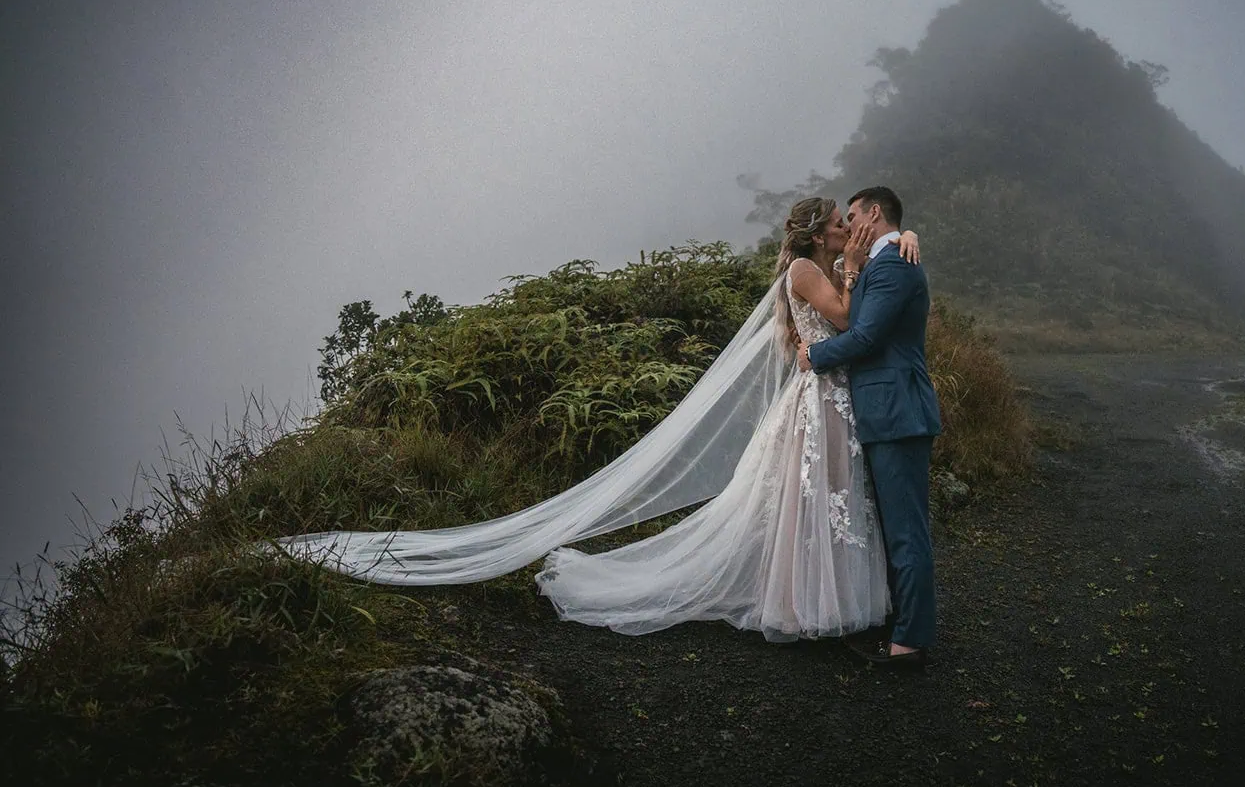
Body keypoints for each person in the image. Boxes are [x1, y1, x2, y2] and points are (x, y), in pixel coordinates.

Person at [273, 196, 925, 650]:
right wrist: (859, 264)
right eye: (842, 223)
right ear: (818, 234)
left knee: (820, 505)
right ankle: (801, 605)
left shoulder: (827, 263)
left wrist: (889, 247)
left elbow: (853, 313)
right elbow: (846, 321)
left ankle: (824, 601)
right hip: (817, 401)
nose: (849, 229)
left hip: (829, 397)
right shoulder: (812, 268)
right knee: (805, 506)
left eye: (853, 224)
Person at [800, 186, 942, 670]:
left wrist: (813, 355)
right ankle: (903, 621)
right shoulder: (882, 260)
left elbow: (864, 335)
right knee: (893, 526)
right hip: (883, 411)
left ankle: (910, 642)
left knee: (906, 531)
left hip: (897, 411)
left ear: (873, 214)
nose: (847, 223)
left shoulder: (895, 263)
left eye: (853, 214)